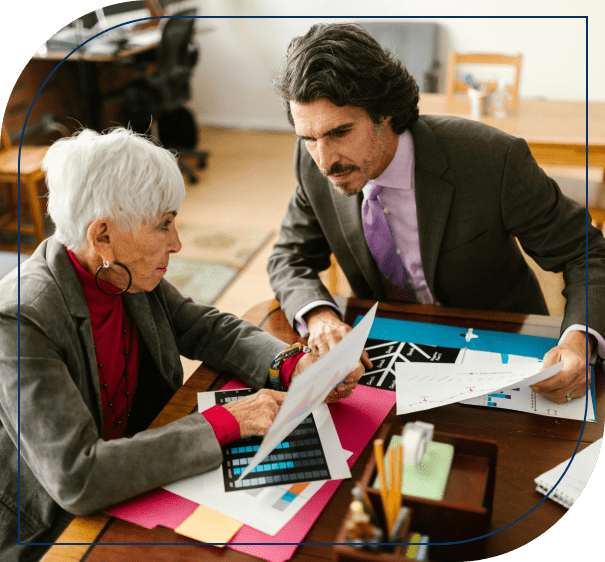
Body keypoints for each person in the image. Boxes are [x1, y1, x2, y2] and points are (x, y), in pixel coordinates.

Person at [0, 128, 361, 562]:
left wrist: (292, 364)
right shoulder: (21, 319)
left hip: (141, 470)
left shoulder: (119, 270)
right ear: (103, 237)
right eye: (163, 225)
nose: (177, 242)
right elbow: (78, 478)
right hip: (52, 527)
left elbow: (205, 327)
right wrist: (226, 421)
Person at [268, 22, 605, 405]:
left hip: (504, 347)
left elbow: (587, 253)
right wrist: (320, 317)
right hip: (389, 350)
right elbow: (289, 257)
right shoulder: (313, 164)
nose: (324, 160)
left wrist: (580, 339)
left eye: (340, 132)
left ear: (386, 114)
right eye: (308, 138)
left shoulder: (493, 160)